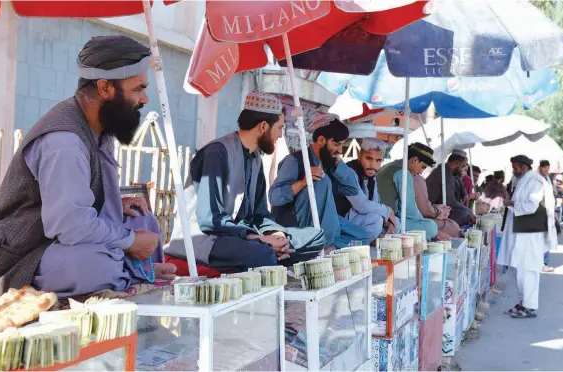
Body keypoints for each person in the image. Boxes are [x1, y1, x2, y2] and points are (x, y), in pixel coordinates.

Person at [0, 35, 177, 298]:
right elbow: (70, 224)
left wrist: (115, 203)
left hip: (54, 242)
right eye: (138, 89)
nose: (144, 99)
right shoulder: (64, 142)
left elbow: (80, 198)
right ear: (105, 88)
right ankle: (129, 271)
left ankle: (133, 269)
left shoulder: (99, 127)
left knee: (143, 219)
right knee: (93, 266)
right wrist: (129, 243)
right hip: (16, 257)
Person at [165, 93, 325, 274]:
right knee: (260, 253)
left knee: (315, 237)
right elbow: (211, 220)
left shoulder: (255, 158)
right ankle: (271, 256)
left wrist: (275, 234)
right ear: (263, 126)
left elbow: (260, 213)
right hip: (207, 238)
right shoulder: (216, 153)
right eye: (279, 128)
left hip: (244, 238)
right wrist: (258, 239)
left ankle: (274, 253)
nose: (280, 136)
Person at [270, 114, 369, 248]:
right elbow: (274, 197)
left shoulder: (328, 163)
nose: (340, 150)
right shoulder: (294, 161)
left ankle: (328, 247)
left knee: (362, 237)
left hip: (326, 223)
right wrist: (303, 182)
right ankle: (321, 244)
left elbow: (352, 189)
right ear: (321, 140)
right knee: (321, 181)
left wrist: (338, 163)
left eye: (342, 145)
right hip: (298, 225)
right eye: (336, 144)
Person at [497, 155, 556, 318]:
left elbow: (531, 206)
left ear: (524, 167)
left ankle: (529, 306)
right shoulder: (524, 180)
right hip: (523, 230)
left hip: (531, 233)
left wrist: (511, 204)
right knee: (519, 268)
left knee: (528, 269)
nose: (513, 171)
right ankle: (524, 302)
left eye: (515, 167)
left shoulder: (535, 181)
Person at [335, 138, 398, 242]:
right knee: (377, 220)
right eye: (369, 159)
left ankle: (375, 237)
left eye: (378, 161)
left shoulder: (371, 176)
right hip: (341, 221)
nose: (373, 165)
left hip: (360, 218)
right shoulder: (349, 172)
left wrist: (386, 219)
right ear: (359, 156)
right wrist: (387, 211)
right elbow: (361, 206)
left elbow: (375, 203)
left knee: (395, 223)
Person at [377, 143, 443, 241]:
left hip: (379, 216)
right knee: (431, 227)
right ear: (414, 160)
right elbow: (409, 209)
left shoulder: (390, 165)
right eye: (423, 167)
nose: (421, 172)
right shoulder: (403, 172)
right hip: (386, 221)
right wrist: (430, 227)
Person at [426, 149, 476, 227]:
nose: (463, 169)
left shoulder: (444, 171)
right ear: (456, 163)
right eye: (463, 166)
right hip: (431, 211)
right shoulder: (446, 174)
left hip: (435, 208)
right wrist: (469, 211)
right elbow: (450, 202)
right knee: (465, 215)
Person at [538, 160, 557, 272]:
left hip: (548, 213)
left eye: (547, 168)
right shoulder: (537, 179)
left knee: (546, 238)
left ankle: (545, 263)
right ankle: (541, 263)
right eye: (544, 167)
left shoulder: (548, 179)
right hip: (540, 213)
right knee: (540, 239)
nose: (546, 170)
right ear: (540, 168)